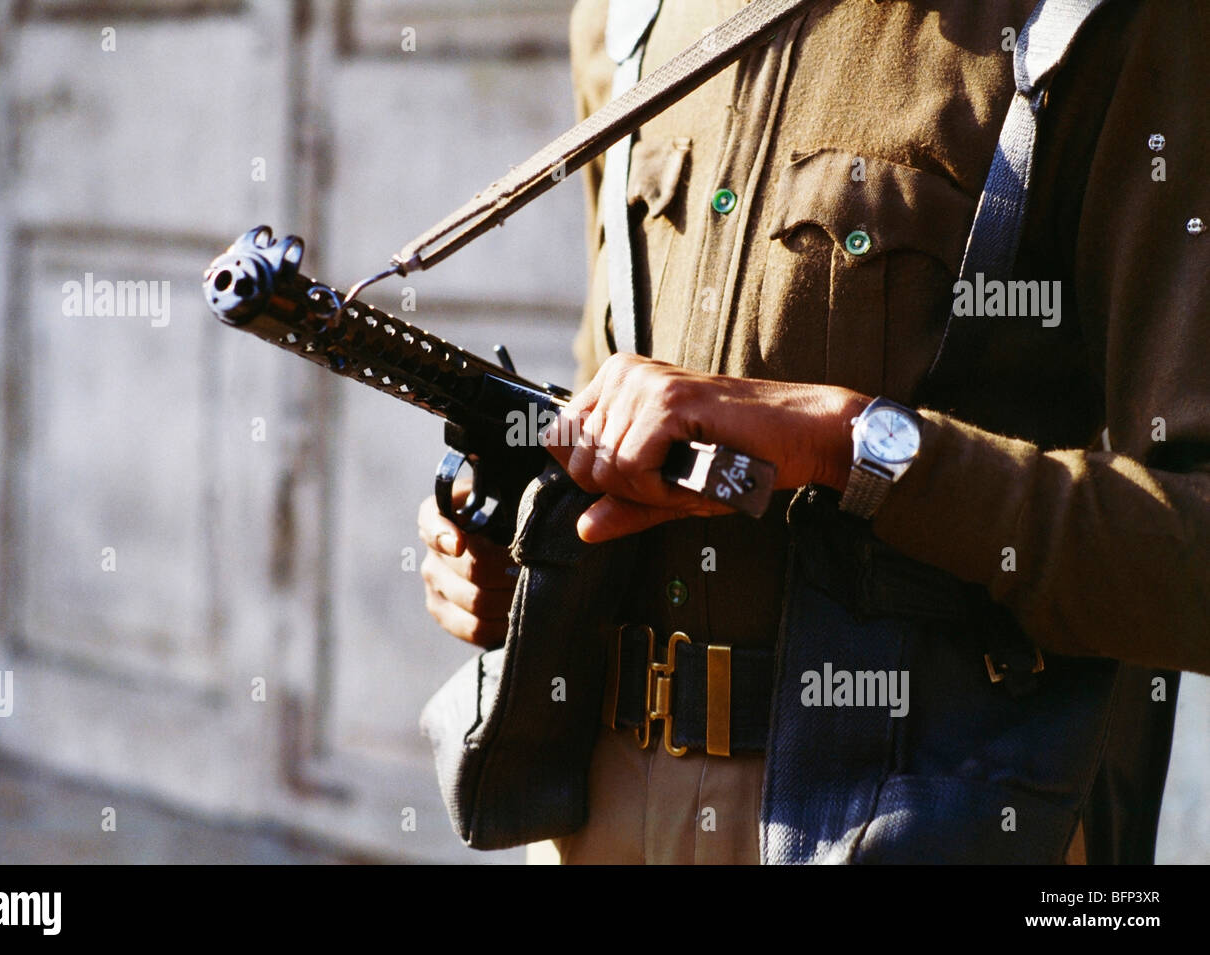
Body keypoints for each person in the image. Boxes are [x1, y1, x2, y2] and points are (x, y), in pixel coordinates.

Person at [417, 0, 1210, 864]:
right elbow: (607, 389)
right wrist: (525, 555)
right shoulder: (627, 18)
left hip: (914, 821)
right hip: (589, 818)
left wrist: (851, 444)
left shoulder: (1116, 25)